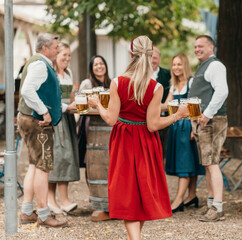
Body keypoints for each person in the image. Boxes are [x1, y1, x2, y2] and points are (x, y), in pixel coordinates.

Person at [88, 35, 189, 239]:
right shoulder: (156, 87)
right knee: (141, 192)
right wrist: (177, 116)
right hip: (145, 142)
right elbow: (153, 125)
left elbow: (110, 119)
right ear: (151, 56)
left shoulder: (117, 82)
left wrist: (97, 104)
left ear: (130, 54)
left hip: (123, 140)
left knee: (127, 192)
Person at [17, 33, 75, 228]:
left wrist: (66, 108)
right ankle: (43, 214)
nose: (58, 50)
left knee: (34, 165)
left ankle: (26, 212)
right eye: (55, 47)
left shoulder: (38, 63)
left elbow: (44, 94)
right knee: (43, 168)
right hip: (37, 122)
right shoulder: (41, 65)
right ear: (44, 49)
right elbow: (27, 91)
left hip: (28, 118)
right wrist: (44, 113)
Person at [188, 35, 229, 222]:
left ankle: (218, 208)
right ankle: (211, 203)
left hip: (211, 121)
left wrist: (207, 114)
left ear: (211, 47)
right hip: (202, 122)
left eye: (201, 46)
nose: (197, 49)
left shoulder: (215, 66)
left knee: (212, 163)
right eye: (195, 46)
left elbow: (222, 91)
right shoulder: (203, 66)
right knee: (207, 163)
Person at [162, 53, 205, 213]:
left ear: (185, 65)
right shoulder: (173, 85)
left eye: (179, 64)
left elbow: (196, 106)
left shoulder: (192, 82)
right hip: (176, 126)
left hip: (187, 126)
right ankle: (192, 195)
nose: (176, 68)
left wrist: (194, 127)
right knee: (190, 162)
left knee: (185, 164)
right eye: (174, 65)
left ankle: (178, 200)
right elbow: (166, 104)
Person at [47, 42, 80, 215]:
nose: (67, 58)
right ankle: (54, 200)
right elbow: (51, 100)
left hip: (67, 118)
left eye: (68, 55)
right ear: (56, 56)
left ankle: (61, 200)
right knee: (58, 158)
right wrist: (68, 107)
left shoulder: (68, 73)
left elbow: (72, 96)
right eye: (63, 55)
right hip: (56, 118)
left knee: (66, 157)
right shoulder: (51, 74)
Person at [77, 55, 111, 169]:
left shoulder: (112, 83)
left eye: (101, 63)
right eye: (95, 64)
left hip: (108, 122)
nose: (99, 66)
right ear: (91, 69)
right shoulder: (87, 83)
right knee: (91, 158)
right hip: (91, 123)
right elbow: (80, 104)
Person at [151, 47, 171, 160]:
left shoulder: (168, 74)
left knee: (163, 152)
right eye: (149, 57)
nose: (152, 60)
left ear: (159, 59)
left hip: (164, 119)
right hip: (146, 121)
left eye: (154, 58)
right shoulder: (141, 76)